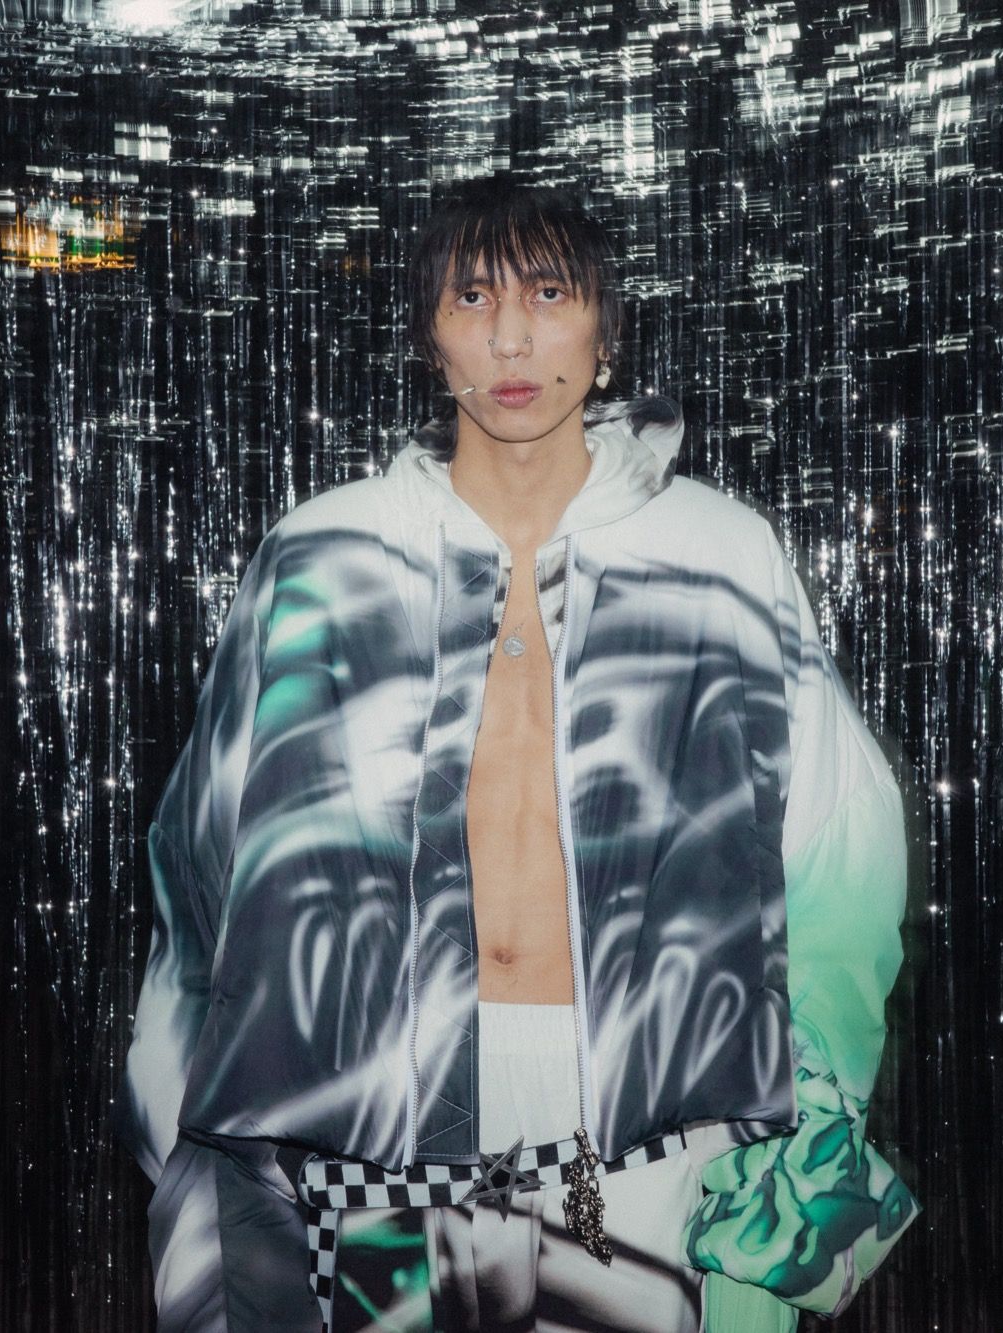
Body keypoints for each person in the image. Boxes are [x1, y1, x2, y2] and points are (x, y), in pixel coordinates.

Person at [119, 174, 920, 1332]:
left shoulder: (719, 554)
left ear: (605, 329)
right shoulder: (322, 557)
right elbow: (202, 874)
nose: (508, 337)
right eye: (470, 297)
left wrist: (805, 1118)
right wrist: (192, 1152)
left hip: (649, 1128)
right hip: (371, 1126)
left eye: (547, 294)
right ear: (426, 333)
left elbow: (840, 857)